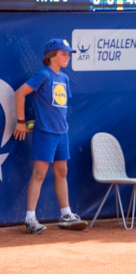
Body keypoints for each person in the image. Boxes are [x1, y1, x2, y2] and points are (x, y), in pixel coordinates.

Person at [13, 39, 87, 235]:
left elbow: (56, 107)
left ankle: (66, 214)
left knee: (62, 171)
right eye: (64, 53)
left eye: (68, 54)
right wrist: (21, 121)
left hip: (62, 132)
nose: (68, 57)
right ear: (51, 56)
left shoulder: (64, 78)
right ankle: (30, 219)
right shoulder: (43, 75)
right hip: (45, 133)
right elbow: (20, 94)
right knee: (39, 173)